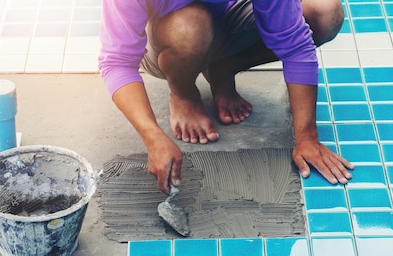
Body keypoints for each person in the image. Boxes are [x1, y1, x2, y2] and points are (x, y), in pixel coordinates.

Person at [98, 0, 354, 195]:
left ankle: (223, 68)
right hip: (171, 36)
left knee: (325, 12)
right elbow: (117, 63)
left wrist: (307, 137)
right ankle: (183, 91)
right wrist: (152, 136)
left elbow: (295, 44)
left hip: (228, 17)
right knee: (190, 27)